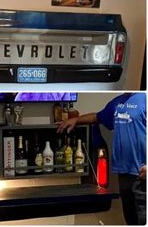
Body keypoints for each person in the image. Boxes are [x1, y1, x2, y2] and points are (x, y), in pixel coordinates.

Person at [57, 93, 146, 225]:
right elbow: (96, 117)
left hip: (143, 174)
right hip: (124, 174)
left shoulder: (144, 98)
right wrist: (76, 120)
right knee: (131, 220)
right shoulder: (117, 102)